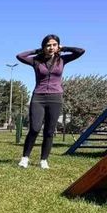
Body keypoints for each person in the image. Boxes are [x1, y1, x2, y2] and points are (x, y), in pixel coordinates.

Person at [16, 35, 84, 169]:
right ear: (44, 47)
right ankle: (25, 158)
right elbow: (20, 56)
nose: (51, 47)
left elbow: (80, 51)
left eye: (54, 45)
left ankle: (43, 160)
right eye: (48, 45)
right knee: (34, 129)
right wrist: (37, 50)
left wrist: (64, 48)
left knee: (49, 131)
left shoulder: (62, 60)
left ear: (58, 46)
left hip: (55, 98)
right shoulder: (36, 61)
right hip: (38, 97)